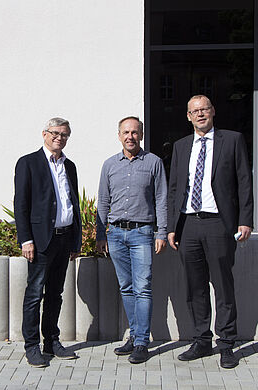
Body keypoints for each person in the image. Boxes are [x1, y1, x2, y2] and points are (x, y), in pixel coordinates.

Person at [167, 95, 253, 369]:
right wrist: (171, 226)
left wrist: (245, 219)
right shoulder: (181, 146)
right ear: (188, 116)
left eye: (204, 109)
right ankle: (201, 340)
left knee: (223, 286)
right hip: (188, 224)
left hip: (220, 224)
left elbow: (244, 182)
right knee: (195, 288)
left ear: (213, 111)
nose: (200, 114)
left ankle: (227, 344)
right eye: (195, 111)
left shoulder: (232, 140)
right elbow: (174, 188)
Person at [95, 116, 168, 364]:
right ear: (119, 135)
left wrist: (161, 232)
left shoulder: (154, 163)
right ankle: (135, 335)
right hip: (115, 234)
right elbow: (103, 201)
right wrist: (99, 235)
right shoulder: (109, 165)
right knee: (126, 288)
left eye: (135, 132)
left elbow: (161, 199)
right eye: (126, 132)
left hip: (142, 233)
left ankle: (141, 342)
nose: (130, 136)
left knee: (143, 288)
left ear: (141, 135)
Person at [14, 117, 82, 368]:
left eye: (64, 134)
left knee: (56, 293)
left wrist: (76, 238)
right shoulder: (28, 163)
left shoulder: (70, 165)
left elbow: (72, 203)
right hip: (41, 240)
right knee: (34, 294)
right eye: (55, 133)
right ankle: (31, 346)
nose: (59, 138)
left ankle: (51, 342)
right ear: (44, 134)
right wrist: (26, 239)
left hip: (64, 239)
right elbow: (20, 205)